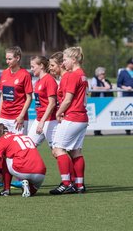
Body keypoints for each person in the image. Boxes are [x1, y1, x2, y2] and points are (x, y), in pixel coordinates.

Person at [0, 46, 33, 188]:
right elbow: (2, 96)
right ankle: (2, 178)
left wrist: (20, 116)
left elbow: (29, 97)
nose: (7, 61)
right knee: (0, 147)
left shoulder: (25, 75)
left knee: (17, 149)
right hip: (4, 117)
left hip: (17, 118)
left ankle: (20, 179)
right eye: (6, 58)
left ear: (17, 58)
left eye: (10, 58)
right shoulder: (5, 74)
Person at [50, 46, 88, 195]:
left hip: (73, 116)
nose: (64, 63)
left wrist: (59, 113)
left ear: (74, 59)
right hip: (82, 118)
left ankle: (66, 183)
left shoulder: (73, 75)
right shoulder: (83, 75)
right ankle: (79, 185)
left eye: (65, 59)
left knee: (57, 149)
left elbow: (67, 100)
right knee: (75, 152)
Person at [0, 124, 46, 197]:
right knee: (31, 192)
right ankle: (26, 185)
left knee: (6, 157)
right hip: (40, 172)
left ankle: (6, 190)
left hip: (22, 171)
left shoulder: (2, 139)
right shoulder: (23, 135)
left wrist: (0, 177)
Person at [27, 56, 58, 148]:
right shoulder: (38, 82)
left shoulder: (49, 80)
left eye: (33, 66)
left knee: (57, 151)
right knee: (28, 147)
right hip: (39, 119)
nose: (31, 69)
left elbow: (52, 103)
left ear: (41, 66)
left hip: (51, 121)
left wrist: (42, 121)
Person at [91, 67, 113, 136]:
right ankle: (96, 131)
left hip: (104, 100)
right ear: (98, 74)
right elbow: (94, 88)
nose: (103, 75)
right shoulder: (94, 79)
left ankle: (99, 130)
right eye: (102, 74)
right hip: (96, 100)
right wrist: (104, 88)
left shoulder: (105, 80)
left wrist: (103, 82)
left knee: (102, 115)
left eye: (104, 74)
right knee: (97, 115)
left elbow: (108, 87)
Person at [117, 58, 133, 135]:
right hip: (126, 94)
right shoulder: (123, 72)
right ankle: (128, 129)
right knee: (128, 111)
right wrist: (126, 88)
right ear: (129, 64)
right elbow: (119, 84)